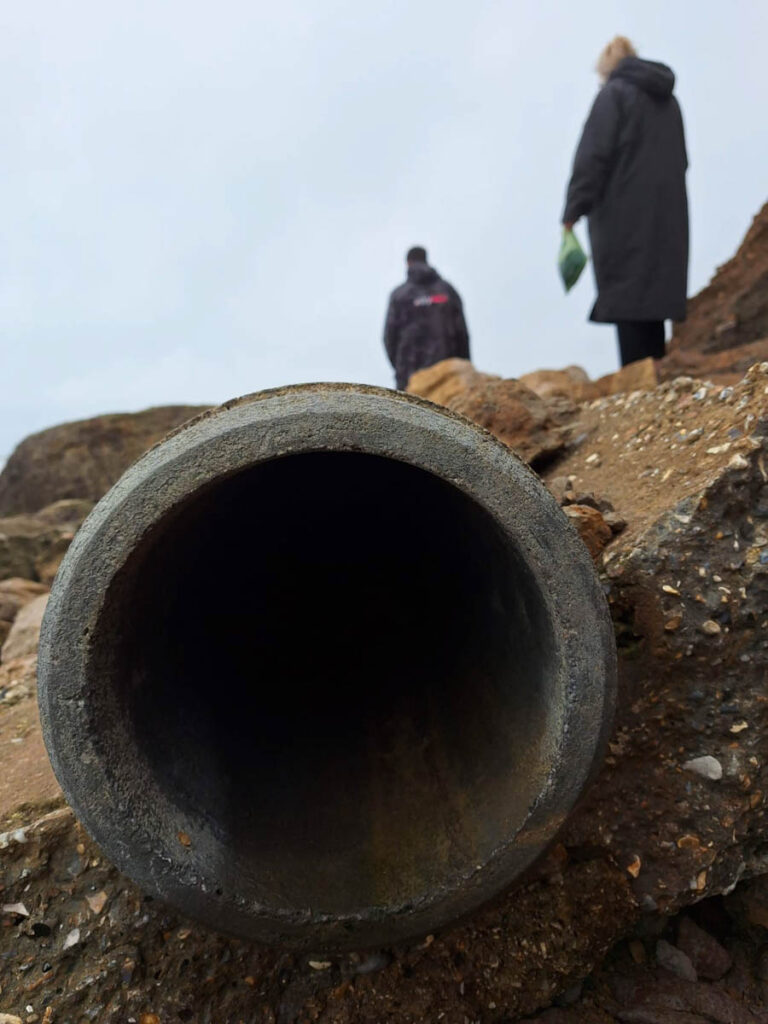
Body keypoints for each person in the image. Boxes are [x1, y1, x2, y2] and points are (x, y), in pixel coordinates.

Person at [562, 36, 689, 367]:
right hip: (668, 214)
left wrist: (573, 209)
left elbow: (592, 157)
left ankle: (639, 384)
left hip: (623, 216)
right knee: (653, 297)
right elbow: (683, 160)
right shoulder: (668, 100)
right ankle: (655, 379)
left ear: (606, 68)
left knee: (628, 296)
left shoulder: (613, 95)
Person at [383, 247, 470, 390]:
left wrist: (401, 369)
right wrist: (464, 369)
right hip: (447, 378)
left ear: (408, 263)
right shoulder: (448, 290)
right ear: (426, 260)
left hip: (410, 379)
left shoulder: (399, 295)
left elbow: (389, 338)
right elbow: (462, 334)